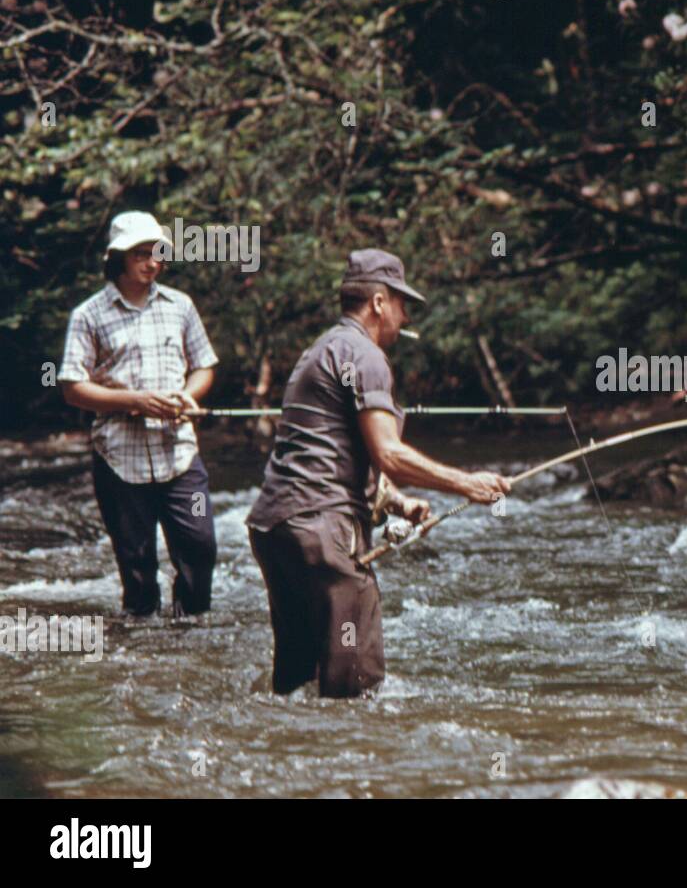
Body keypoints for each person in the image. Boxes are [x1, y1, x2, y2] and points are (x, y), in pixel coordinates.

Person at [245, 248, 511, 699]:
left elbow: (330, 449)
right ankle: (355, 764)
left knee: (296, 682)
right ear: (379, 302)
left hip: (277, 530)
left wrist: (396, 502)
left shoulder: (321, 350)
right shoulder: (365, 356)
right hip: (324, 533)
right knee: (355, 684)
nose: (405, 319)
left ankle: (289, 759)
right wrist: (467, 483)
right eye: (403, 305)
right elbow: (388, 452)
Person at [58, 211, 220, 617]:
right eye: (141, 254)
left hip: (179, 453)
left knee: (201, 546)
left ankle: (190, 630)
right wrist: (134, 401)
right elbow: (72, 387)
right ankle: (142, 645)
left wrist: (186, 395)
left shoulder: (180, 306)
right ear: (118, 259)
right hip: (119, 461)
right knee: (137, 566)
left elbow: (205, 365)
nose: (152, 263)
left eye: (158, 253)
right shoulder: (88, 315)